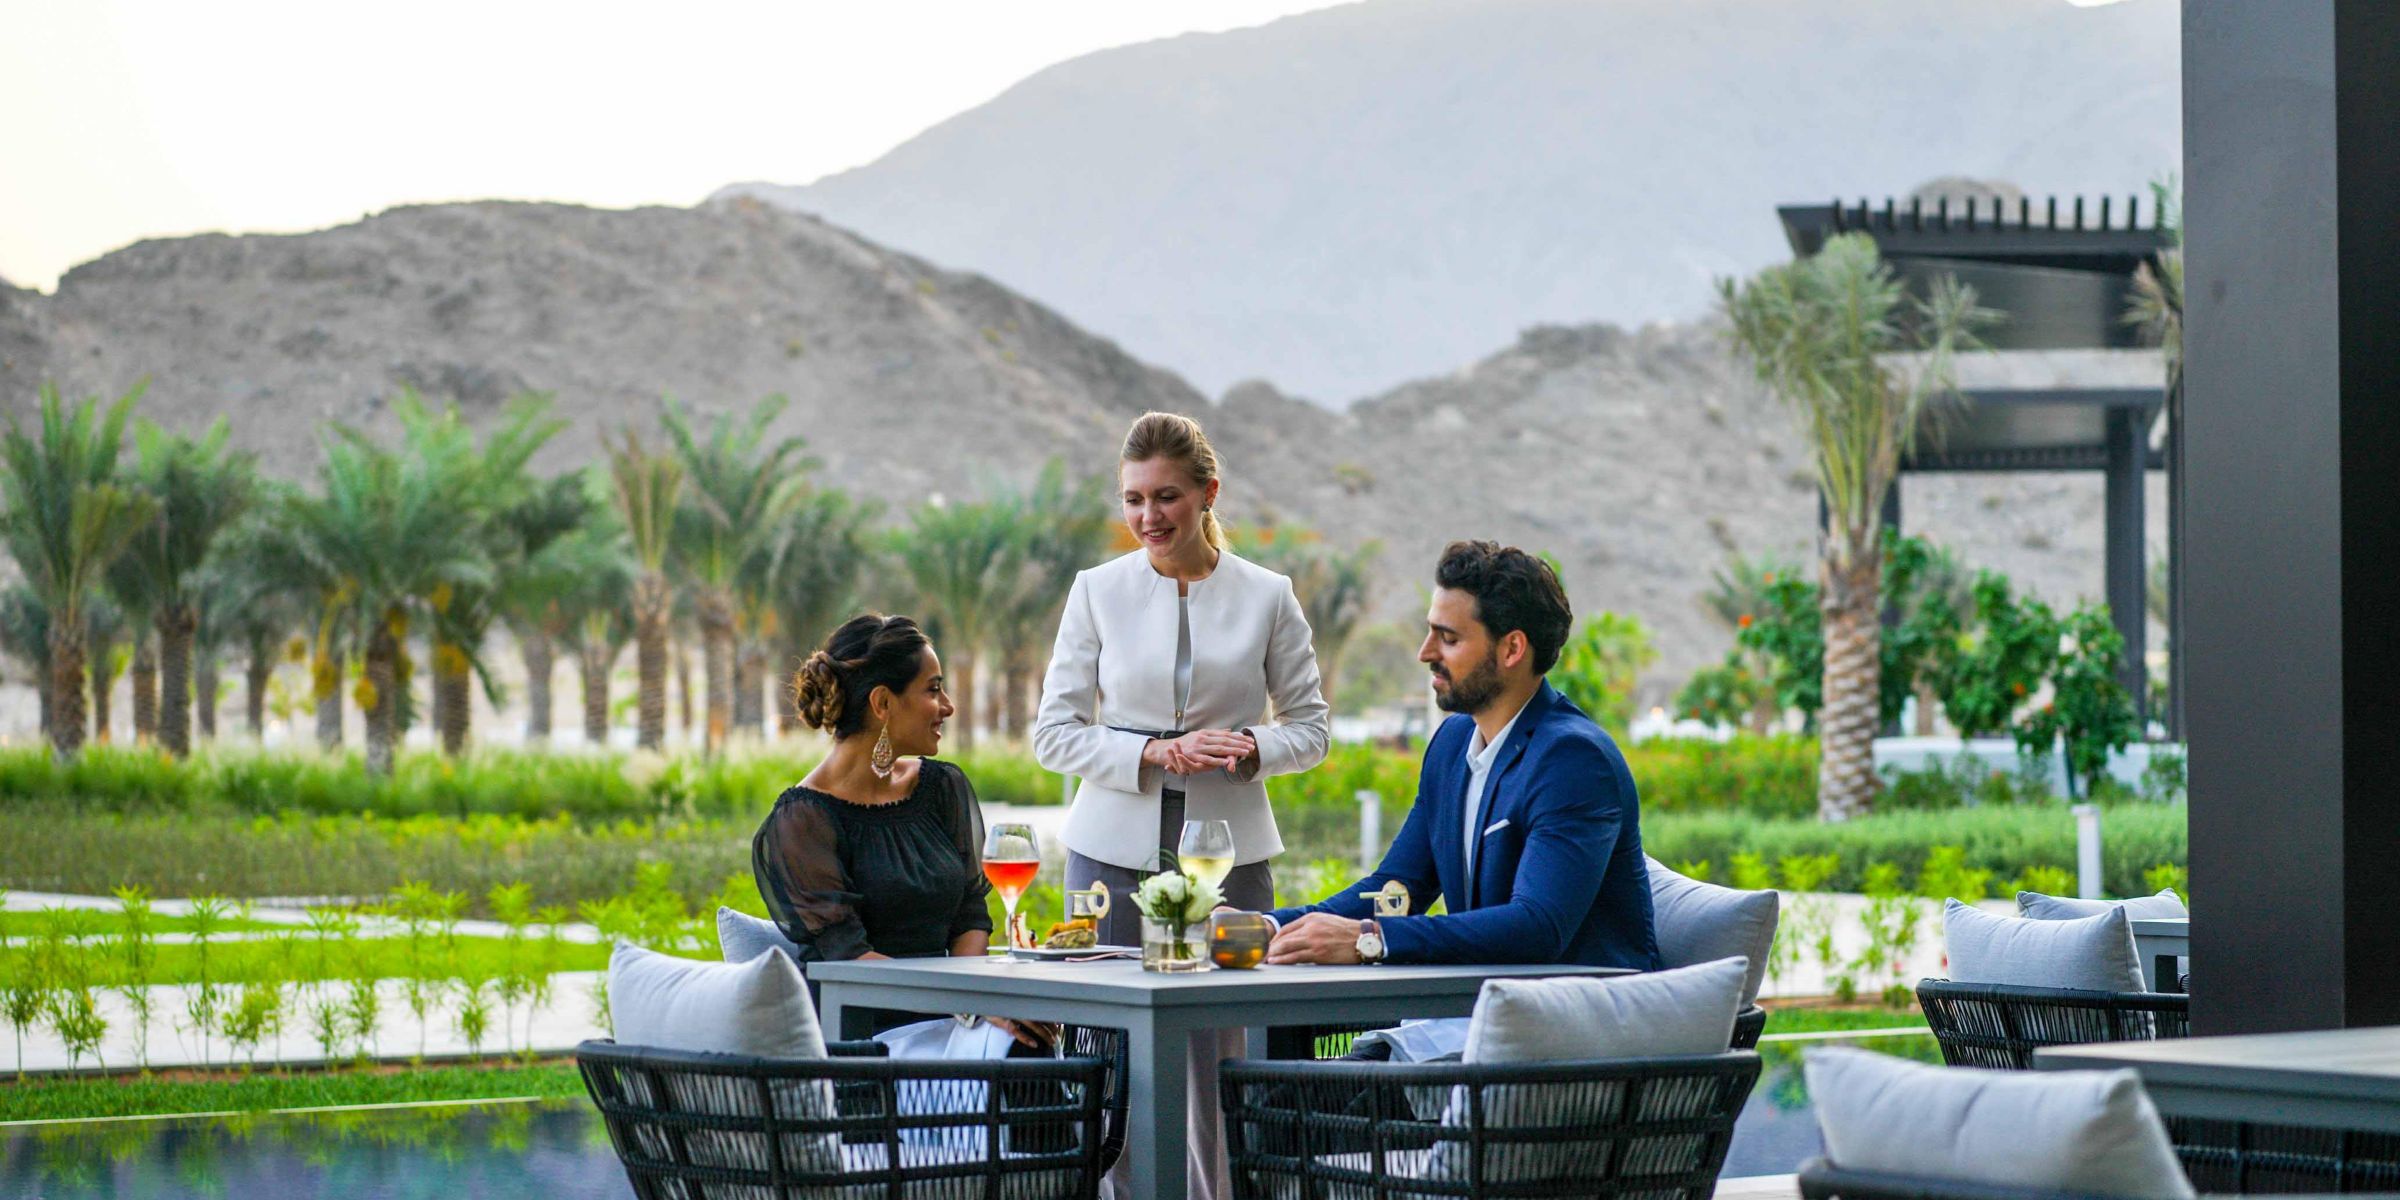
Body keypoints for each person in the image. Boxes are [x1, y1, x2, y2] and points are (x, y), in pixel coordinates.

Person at [1263, 540, 1661, 980]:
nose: (1425, 653)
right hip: (1484, 1005)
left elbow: (1537, 927)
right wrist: (1270, 927)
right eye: (1430, 632)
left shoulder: (1573, 761)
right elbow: (1398, 889)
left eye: (1448, 638)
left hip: (1582, 1011)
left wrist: (1370, 939)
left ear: (1512, 649)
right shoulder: (1452, 743)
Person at [1034, 410, 1331, 943]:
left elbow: (1311, 731)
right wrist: (1154, 751)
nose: (1149, 516)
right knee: (1106, 998)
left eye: (1166, 496)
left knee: (1228, 997)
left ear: (1208, 492)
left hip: (1230, 855)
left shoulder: (1269, 595)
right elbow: (1053, 736)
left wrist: (1249, 747)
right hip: (1108, 854)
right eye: (1134, 499)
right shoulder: (1095, 591)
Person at [752, 612, 1046, 1049]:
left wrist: (978, 1004)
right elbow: (851, 960)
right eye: (933, 689)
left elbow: (969, 917)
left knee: (1030, 1038)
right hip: (871, 1042)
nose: (948, 706)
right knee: (1017, 1048)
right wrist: (973, 1001)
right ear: (883, 704)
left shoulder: (941, 787)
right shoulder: (802, 822)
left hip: (954, 1018)